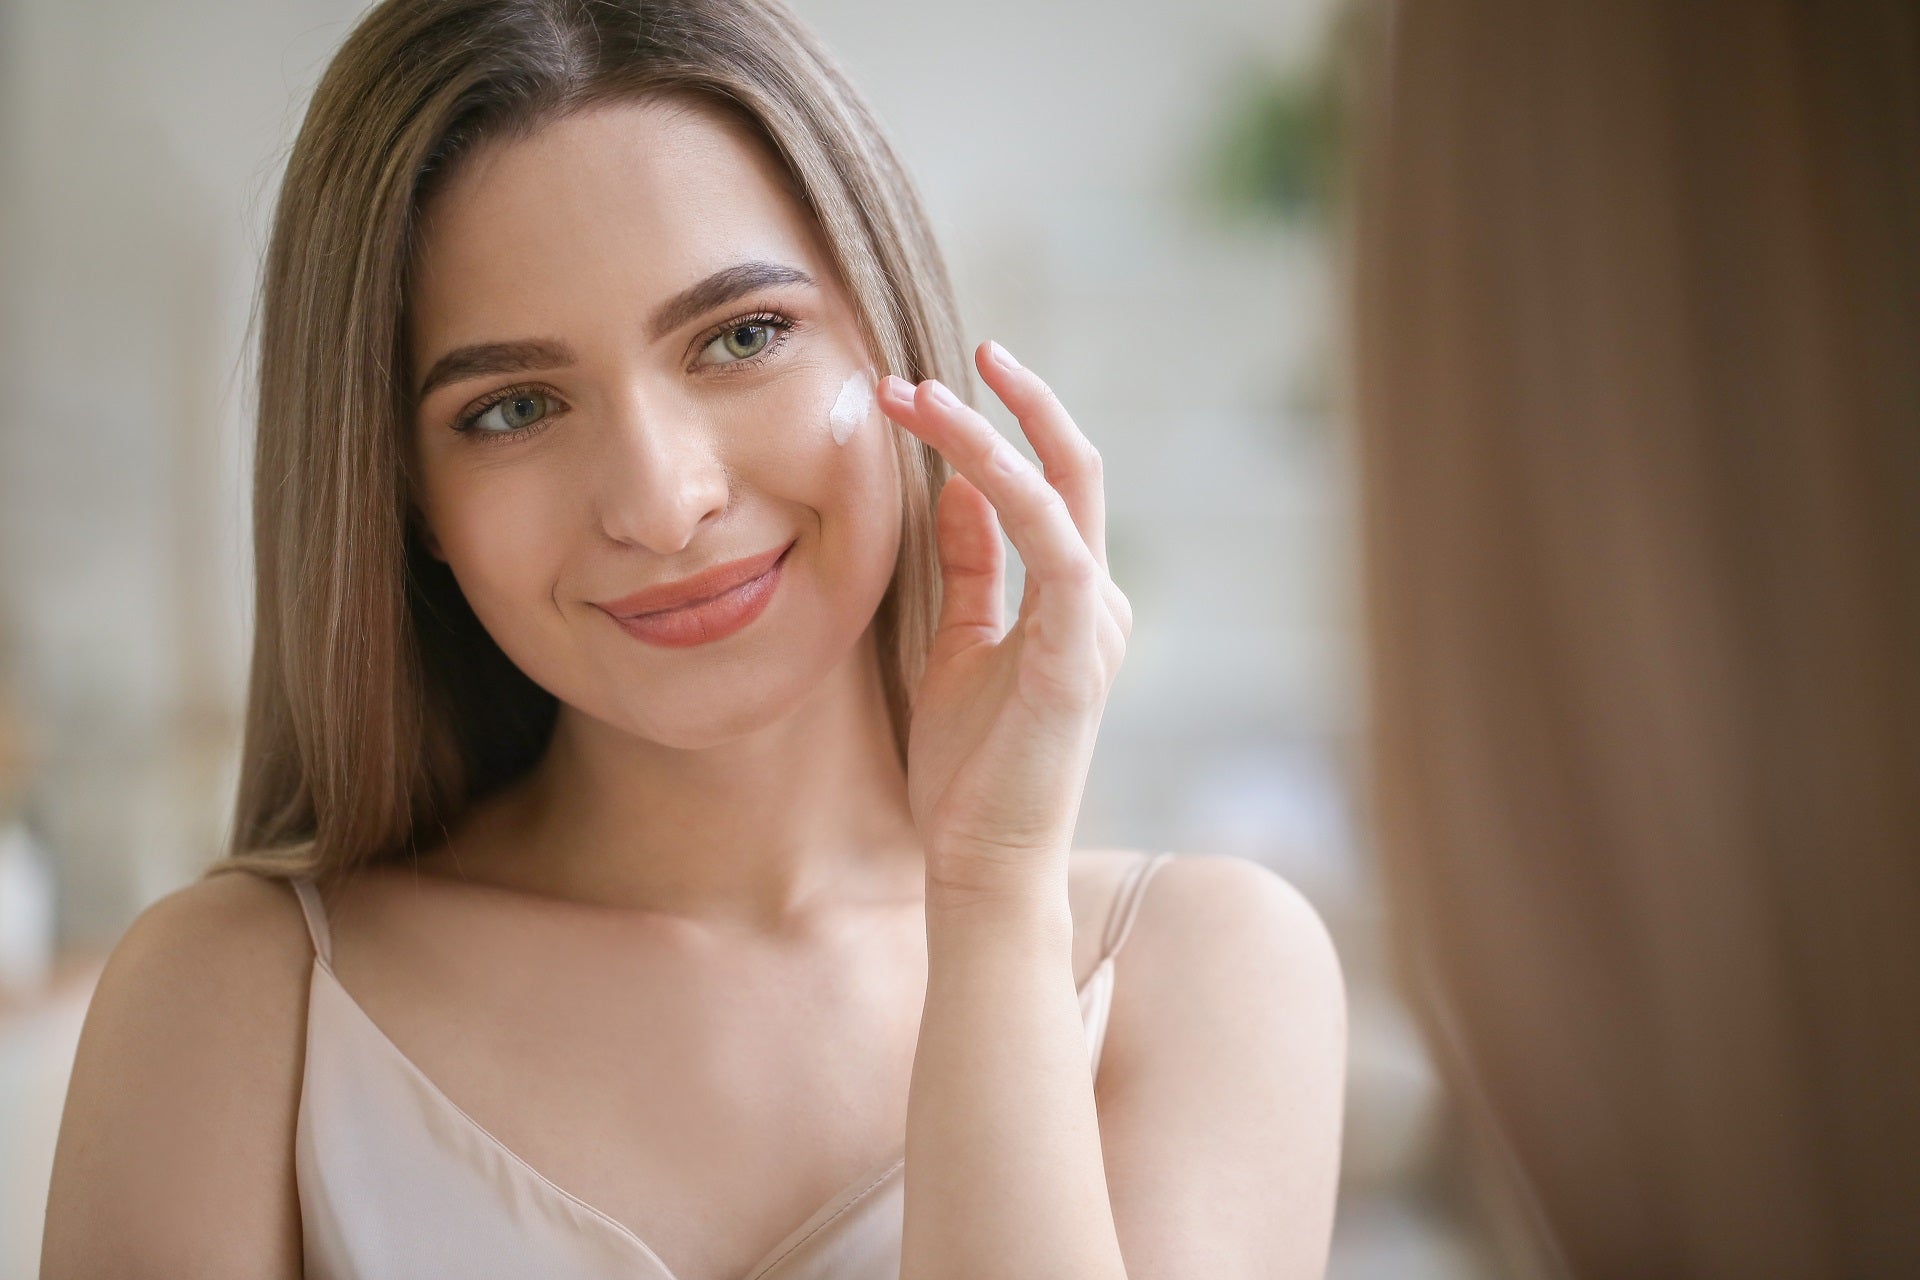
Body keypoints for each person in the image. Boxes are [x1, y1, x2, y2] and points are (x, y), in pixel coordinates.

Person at [39, 2, 1347, 1276]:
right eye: (512, 409)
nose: (665, 504)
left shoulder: (1201, 970)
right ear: (404, 499)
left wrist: (993, 897)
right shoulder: (236, 1007)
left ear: (896, 335)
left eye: (740, 336)